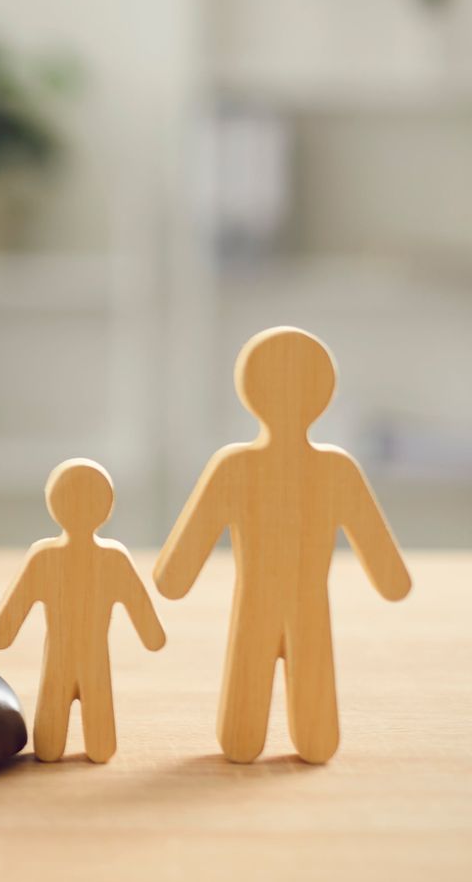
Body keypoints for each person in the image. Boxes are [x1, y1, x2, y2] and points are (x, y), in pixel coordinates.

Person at [155, 327, 410, 764]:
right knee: (308, 724)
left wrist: (174, 581)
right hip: (309, 606)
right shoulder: (336, 470)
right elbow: (391, 575)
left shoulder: (236, 467)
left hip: (257, 603)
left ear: (249, 389)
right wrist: (392, 583)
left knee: (243, 731)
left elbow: (175, 574)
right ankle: (305, 743)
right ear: (324, 392)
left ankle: (254, 742)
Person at [0, 459, 164, 763]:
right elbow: (146, 621)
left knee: (55, 734)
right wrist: (151, 637)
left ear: (53, 503)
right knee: (91, 735)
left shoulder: (48, 558)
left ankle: (69, 747)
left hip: (64, 655)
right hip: (90, 655)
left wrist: (4, 634)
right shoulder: (109, 559)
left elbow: (8, 622)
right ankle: (90, 748)